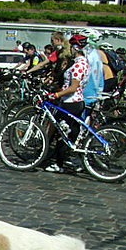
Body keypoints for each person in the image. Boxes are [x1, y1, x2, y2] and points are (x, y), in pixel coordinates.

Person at [44, 34, 90, 174]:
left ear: (76, 48)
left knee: (62, 134)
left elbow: (72, 87)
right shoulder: (84, 63)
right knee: (73, 133)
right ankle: (77, 160)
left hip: (70, 102)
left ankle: (59, 164)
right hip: (77, 101)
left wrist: (56, 94)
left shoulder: (77, 65)